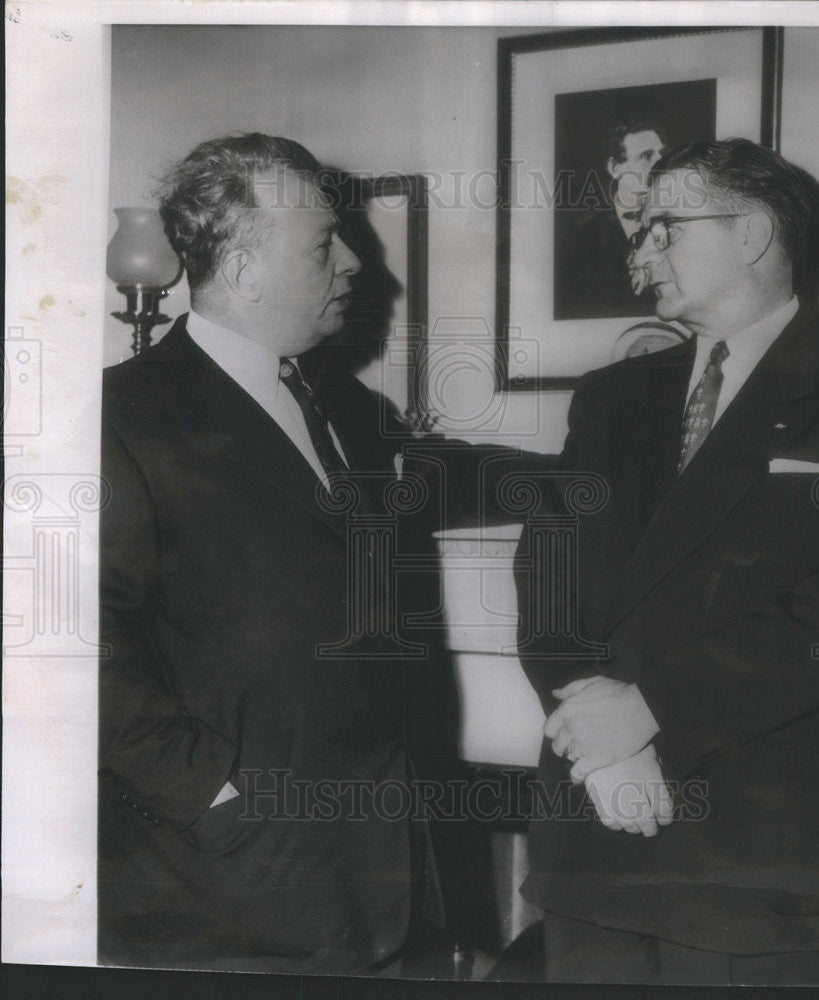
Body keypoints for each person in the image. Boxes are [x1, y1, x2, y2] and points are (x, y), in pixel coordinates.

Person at [98, 132, 529, 974]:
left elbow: (459, 474)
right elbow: (78, 649)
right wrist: (215, 795)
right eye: (326, 243)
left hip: (389, 876)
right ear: (246, 267)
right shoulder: (122, 417)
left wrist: (621, 466)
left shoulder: (343, 407)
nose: (357, 266)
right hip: (228, 889)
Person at [518, 138, 819, 986]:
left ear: (755, 234)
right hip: (597, 841)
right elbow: (548, 581)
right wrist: (602, 749)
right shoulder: (610, 398)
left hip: (769, 870)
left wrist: (653, 709)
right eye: (637, 229)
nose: (639, 251)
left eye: (664, 227)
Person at [554, 122, 662, 319]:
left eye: (661, 154)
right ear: (615, 168)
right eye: (647, 156)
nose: (661, 162)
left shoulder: (684, 227)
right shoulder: (579, 240)